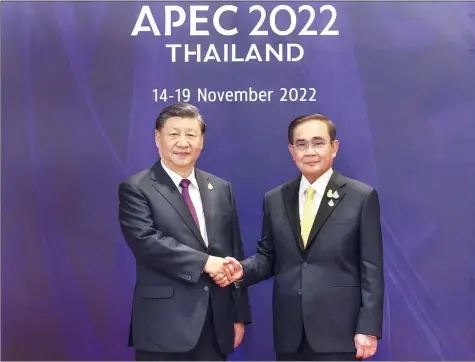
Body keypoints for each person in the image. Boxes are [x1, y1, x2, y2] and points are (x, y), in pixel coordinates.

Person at [212, 114, 384, 361]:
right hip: (290, 334)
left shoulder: (361, 197)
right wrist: (241, 270)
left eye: (318, 143)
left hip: (339, 333)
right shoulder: (275, 198)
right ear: (292, 151)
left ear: (334, 147)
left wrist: (368, 328)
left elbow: (372, 268)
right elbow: (268, 256)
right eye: (301, 144)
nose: (310, 151)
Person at [118, 103, 251, 361]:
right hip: (163, 328)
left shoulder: (221, 188)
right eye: (174, 134)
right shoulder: (137, 188)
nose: (183, 142)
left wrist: (238, 315)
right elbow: (147, 243)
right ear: (158, 138)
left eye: (191, 135)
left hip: (215, 326)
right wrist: (205, 263)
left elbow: (234, 252)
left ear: (201, 141)